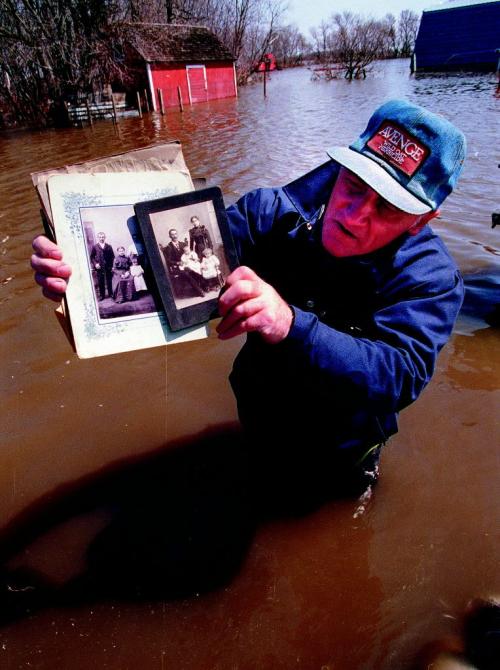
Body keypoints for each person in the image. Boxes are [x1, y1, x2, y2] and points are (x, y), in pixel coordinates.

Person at [30, 99, 467, 506]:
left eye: (387, 208)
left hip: (339, 451)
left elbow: (398, 376)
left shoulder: (433, 280)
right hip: (259, 420)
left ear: (421, 221)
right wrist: (76, 276)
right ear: (340, 171)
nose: (355, 214)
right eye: (353, 185)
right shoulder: (269, 213)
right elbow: (165, 265)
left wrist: (290, 325)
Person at [89, 232, 114, 301]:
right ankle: (102, 295)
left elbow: (112, 256)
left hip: (108, 266)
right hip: (99, 266)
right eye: (100, 237)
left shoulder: (109, 246)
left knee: (109, 280)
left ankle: (110, 293)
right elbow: (92, 257)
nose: (101, 238)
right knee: (100, 281)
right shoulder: (95, 246)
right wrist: (95, 264)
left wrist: (111, 266)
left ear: (105, 237)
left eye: (103, 237)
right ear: (98, 238)